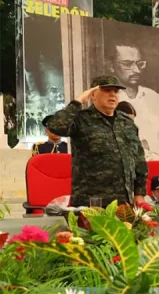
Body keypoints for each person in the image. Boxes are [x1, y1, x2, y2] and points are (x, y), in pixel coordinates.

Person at [46, 75, 148, 208]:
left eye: (116, 91)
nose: (112, 95)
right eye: (107, 90)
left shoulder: (126, 122)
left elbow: (138, 159)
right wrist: (79, 101)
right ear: (93, 95)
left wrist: (139, 193)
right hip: (91, 203)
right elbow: (55, 126)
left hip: (123, 203)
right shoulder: (81, 119)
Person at [108, 42, 159, 160]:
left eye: (140, 64)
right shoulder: (109, 100)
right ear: (111, 66)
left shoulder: (153, 97)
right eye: (128, 64)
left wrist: (148, 146)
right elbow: (123, 149)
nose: (137, 70)